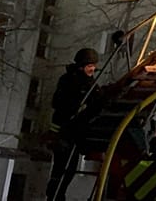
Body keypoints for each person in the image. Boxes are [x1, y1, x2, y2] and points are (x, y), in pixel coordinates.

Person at [46, 48, 103, 201]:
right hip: (63, 134)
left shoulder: (89, 82)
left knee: (68, 170)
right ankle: (54, 196)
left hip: (73, 134)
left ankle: (56, 196)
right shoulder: (69, 81)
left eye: (94, 66)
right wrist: (76, 104)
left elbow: (98, 101)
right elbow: (57, 103)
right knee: (63, 169)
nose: (93, 69)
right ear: (81, 66)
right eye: (90, 66)